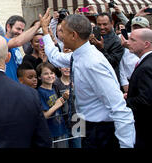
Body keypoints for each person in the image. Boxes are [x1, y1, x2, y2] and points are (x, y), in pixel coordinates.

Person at [40, 10, 135, 148]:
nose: (60, 36)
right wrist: (45, 31)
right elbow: (56, 58)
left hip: (102, 133)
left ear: (73, 35)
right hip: (88, 126)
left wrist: (126, 145)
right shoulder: (79, 55)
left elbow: (119, 108)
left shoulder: (92, 64)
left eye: (62, 31)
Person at [126, 28, 152, 148]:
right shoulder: (149, 62)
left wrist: (125, 102)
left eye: (132, 40)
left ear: (146, 44)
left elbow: (146, 100)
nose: (128, 42)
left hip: (147, 129)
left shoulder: (147, 67)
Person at [36, 62, 68, 148]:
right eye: (46, 74)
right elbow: (44, 115)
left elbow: (58, 104)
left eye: (52, 73)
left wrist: (63, 98)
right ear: (39, 77)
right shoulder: (40, 92)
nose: (50, 76)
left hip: (60, 129)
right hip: (50, 133)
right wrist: (56, 105)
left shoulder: (54, 88)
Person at [3, 16, 42, 82]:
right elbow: (18, 42)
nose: (20, 32)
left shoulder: (16, 47)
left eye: (22, 30)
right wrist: (37, 26)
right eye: (18, 29)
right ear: (8, 27)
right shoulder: (3, 41)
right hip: (8, 84)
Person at [119, 16, 150, 92]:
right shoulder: (123, 39)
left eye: (140, 28)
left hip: (148, 82)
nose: (137, 31)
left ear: (148, 28)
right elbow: (120, 63)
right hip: (129, 82)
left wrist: (130, 48)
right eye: (135, 28)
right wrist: (124, 83)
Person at [90, 12, 125, 80]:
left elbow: (112, 63)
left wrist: (101, 48)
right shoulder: (93, 37)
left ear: (112, 23)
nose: (102, 27)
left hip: (108, 78)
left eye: (105, 24)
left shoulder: (117, 42)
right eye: (99, 24)